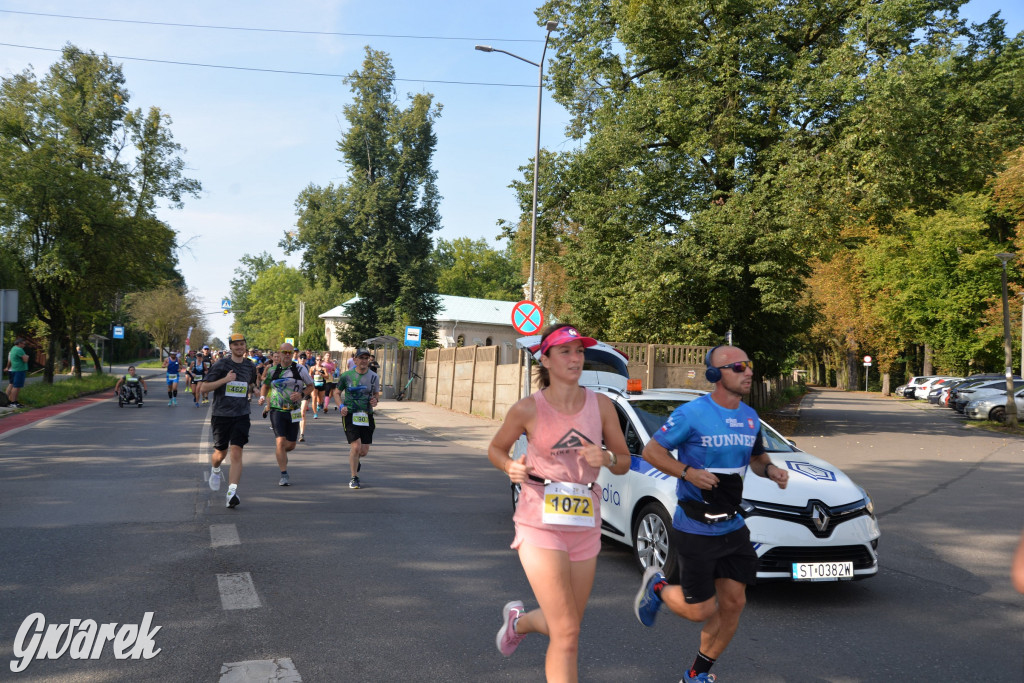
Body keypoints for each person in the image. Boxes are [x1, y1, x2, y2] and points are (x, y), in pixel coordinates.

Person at [634, 345, 789, 683]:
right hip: (696, 527)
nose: (748, 371)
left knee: (734, 604)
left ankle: (696, 674)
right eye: (739, 367)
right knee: (701, 611)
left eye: (750, 365)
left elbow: (757, 457)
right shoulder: (692, 414)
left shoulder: (750, 417)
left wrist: (772, 471)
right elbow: (651, 451)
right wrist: (687, 472)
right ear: (716, 375)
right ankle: (658, 587)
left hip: (732, 526)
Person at [486, 324, 630, 682]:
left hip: (584, 523)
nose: (576, 358)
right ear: (546, 359)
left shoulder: (602, 405)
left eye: (579, 351)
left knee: (566, 625)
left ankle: (518, 622)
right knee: (566, 634)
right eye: (565, 351)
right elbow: (496, 448)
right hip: (539, 521)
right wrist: (509, 466)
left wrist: (607, 458)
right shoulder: (527, 409)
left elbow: (625, 460)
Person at [200, 333, 259, 508]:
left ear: (245, 346)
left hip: (241, 414)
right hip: (221, 415)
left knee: (236, 452)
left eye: (242, 344)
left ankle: (231, 493)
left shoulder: (250, 365)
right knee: (220, 453)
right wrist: (225, 379)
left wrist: (255, 389)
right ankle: (216, 469)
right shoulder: (222, 364)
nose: (239, 347)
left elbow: (252, 383)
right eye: (236, 345)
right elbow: (204, 387)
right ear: (231, 347)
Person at [258, 343, 314, 487]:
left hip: (293, 411)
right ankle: (284, 474)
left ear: (293, 354)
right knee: (280, 442)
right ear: (280, 353)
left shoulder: (300, 369)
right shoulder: (272, 370)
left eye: (290, 352)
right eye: (284, 352)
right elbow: (265, 386)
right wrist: (263, 397)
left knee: (291, 445)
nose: (287, 354)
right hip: (277, 410)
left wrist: (301, 394)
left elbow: (311, 386)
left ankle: (281, 453)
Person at [333, 348, 380, 489]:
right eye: (361, 358)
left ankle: (356, 459)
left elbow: (377, 394)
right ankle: (354, 477)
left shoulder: (374, 377)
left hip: (366, 415)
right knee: (356, 446)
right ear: (355, 360)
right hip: (350, 414)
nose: (364, 360)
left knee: (363, 451)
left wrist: (375, 400)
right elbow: (336, 392)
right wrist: (341, 406)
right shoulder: (346, 376)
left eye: (366, 358)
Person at [5, 338, 30, 408]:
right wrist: (27, 356)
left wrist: (7, 367)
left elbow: (9, 360)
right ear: (19, 343)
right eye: (23, 343)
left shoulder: (13, 348)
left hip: (14, 369)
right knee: (16, 387)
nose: (24, 345)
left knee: (12, 385)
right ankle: (14, 402)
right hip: (19, 369)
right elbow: (25, 360)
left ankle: (10, 401)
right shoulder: (19, 350)